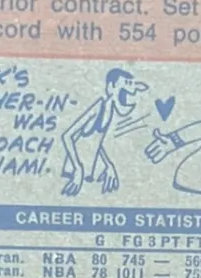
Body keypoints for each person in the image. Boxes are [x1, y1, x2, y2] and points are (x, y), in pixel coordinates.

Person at [59, 67, 147, 196]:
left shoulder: (109, 109)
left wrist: (108, 164)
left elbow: (95, 141)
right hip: (75, 170)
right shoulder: (99, 107)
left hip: (88, 169)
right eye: (124, 87)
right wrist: (78, 168)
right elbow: (67, 136)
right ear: (111, 88)